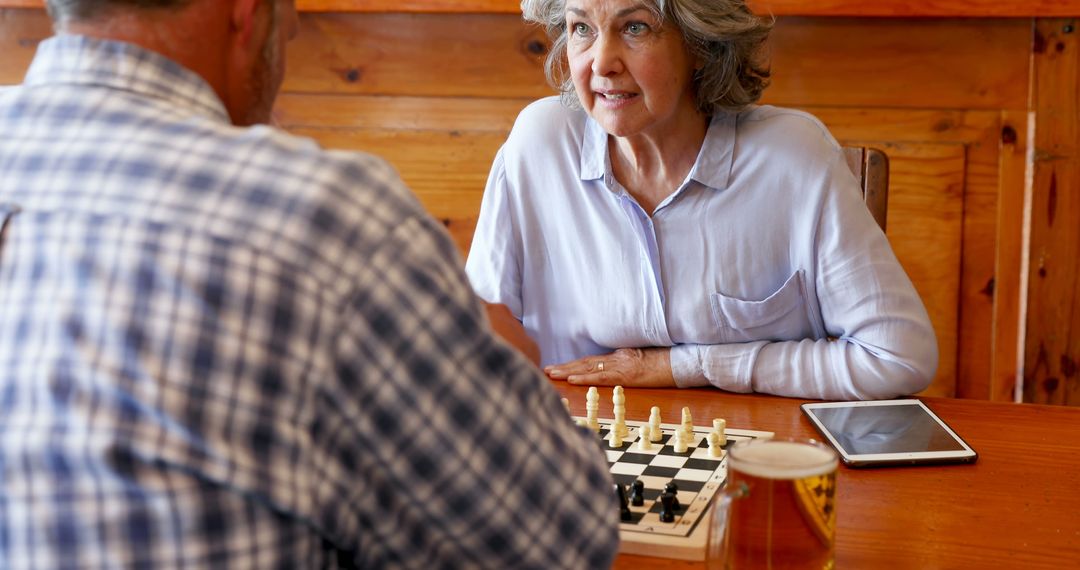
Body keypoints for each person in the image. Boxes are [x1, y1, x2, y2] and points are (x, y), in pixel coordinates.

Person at [0, 0, 618, 568]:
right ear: (245, 14)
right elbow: (560, 540)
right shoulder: (325, 221)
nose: (291, 27)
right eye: (286, 9)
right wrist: (504, 374)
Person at [465, 0, 939, 401]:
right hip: (588, 461)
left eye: (635, 27)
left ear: (700, 44)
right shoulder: (538, 144)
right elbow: (474, 335)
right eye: (581, 29)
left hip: (760, 464)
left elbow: (897, 356)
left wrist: (686, 366)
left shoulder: (794, 160)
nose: (602, 62)